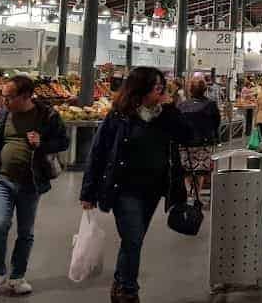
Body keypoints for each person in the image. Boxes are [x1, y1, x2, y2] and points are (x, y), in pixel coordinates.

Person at [80, 67, 192, 303]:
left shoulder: (165, 116)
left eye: (162, 88)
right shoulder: (118, 117)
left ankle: (121, 281)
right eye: (157, 88)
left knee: (135, 239)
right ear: (141, 89)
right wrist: (88, 191)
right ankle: (128, 290)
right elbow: (98, 153)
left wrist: (171, 108)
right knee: (132, 238)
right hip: (124, 189)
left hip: (153, 189)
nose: (161, 92)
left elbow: (188, 136)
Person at [0, 76, 68, 299]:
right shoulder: (2, 114)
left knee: (25, 232)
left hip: (31, 183)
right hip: (1, 179)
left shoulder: (47, 116)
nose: (4, 100)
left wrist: (42, 143)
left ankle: (17, 277)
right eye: (3, 95)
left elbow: (63, 142)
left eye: (9, 96)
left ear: (25, 96)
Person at [176, 77, 221, 198]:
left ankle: (189, 191)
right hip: (204, 142)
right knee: (200, 170)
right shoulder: (211, 105)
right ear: (205, 89)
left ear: (190, 90)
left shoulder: (182, 105)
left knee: (187, 169)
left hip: (185, 143)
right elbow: (216, 122)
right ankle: (197, 194)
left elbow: (177, 124)